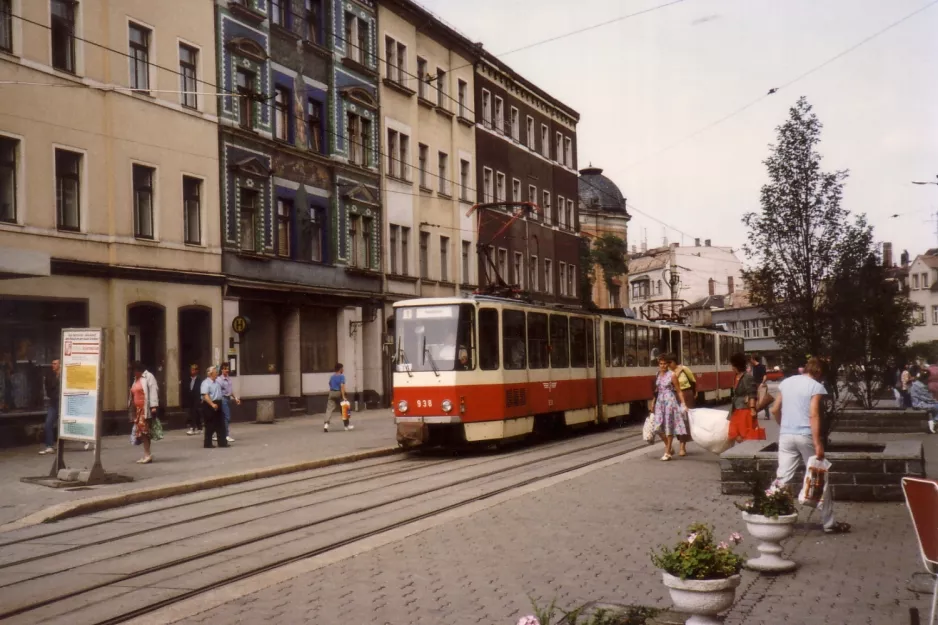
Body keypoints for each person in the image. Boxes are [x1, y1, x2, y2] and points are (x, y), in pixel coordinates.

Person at [770, 357, 850, 534]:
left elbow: (775, 409)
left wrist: (783, 425)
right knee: (819, 475)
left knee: (783, 477)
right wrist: (818, 443)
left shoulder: (786, 382)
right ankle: (829, 523)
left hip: (786, 435)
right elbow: (814, 414)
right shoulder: (816, 387)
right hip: (805, 435)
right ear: (819, 372)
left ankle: (770, 514)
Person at [650, 354, 689, 461]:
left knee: (669, 426)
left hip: (670, 402)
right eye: (661, 364)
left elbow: (679, 390)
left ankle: (667, 452)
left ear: (668, 364)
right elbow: (657, 390)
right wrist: (653, 402)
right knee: (657, 427)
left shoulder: (672, 375)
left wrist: (683, 403)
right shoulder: (657, 374)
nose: (662, 366)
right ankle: (669, 446)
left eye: (664, 364)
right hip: (660, 402)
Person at [728, 353, 765, 442]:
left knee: (745, 434)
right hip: (736, 409)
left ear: (737, 366)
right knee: (735, 434)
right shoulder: (736, 376)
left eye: (733, 365)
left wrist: (752, 409)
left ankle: (747, 451)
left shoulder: (747, 377)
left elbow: (752, 393)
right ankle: (744, 449)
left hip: (745, 410)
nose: (732, 368)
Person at [128, 361, 159, 464]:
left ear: (137, 370)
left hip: (144, 410)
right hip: (137, 410)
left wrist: (154, 406)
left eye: (133, 370)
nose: (133, 373)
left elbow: (153, 390)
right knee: (142, 433)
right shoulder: (136, 379)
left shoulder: (148, 377)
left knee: (144, 433)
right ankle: (147, 454)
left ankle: (147, 454)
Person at [665, 353, 695, 457]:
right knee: (675, 421)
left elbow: (693, 381)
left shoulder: (684, 369)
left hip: (686, 394)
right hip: (673, 396)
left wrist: (694, 393)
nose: (668, 365)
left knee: (684, 420)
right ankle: (670, 446)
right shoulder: (668, 373)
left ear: (674, 362)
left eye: (670, 362)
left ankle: (682, 446)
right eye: (667, 363)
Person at [200, 365, 227, 448]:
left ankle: (222, 442)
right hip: (209, 404)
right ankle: (208, 443)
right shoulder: (205, 383)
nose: (217, 373)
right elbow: (205, 395)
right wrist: (212, 404)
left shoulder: (217, 382)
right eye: (215, 372)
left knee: (221, 424)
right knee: (210, 424)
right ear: (210, 374)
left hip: (218, 403)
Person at [39, 359, 61, 455]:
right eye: (52, 363)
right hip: (54, 402)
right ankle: (49, 446)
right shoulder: (50, 376)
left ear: (60, 365)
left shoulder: (64, 375)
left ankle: (84, 440)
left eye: (55, 364)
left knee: (69, 423)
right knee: (48, 423)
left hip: (63, 402)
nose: (53, 365)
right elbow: (47, 388)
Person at [324, 363, 353, 432]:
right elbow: (342, 386)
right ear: (340, 369)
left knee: (329, 409)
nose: (343, 369)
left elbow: (330, 383)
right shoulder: (341, 376)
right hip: (338, 393)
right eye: (342, 368)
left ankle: (326, 425)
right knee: (344, 408)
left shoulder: (332, 376)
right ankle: (346, 426)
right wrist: (343, 396)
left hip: (331, 393)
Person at [217, 363, 240, 443]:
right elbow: (218, 391)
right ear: (222, 370)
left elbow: (230, 391)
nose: (227, 370)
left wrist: (235, 398)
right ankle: (226, 435)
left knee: (224, 417)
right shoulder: (219, 380)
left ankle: (218, 434)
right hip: (223, 399)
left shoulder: (229, 379)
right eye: (225, 369)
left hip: (228, 399)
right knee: (226, 417)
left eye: (227, 368)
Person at [910, 369, 938, 433]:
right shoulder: (920, 386)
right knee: (936, 406)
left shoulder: (918, 384)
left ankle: (934, 422)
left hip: (921, 402)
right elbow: (927, 398)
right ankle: (934, 422)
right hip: (919, 404)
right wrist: (935, 401)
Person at [184, 364, 203, 436]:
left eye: (194, 370)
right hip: (191, 397)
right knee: (194, 412)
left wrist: (201, 398)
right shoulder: (189, 379)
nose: (192, 371)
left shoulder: (199, 379)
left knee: (194, 412)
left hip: (197, 397)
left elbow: (201, 389)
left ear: (197, 371)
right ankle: (200, 427)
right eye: (192, 369)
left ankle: (192, 427)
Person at [750, 354, 770, 420]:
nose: (750, 360)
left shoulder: (761, 366)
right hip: (754, 384)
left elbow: (765, 375)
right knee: (754, 399)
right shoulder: (752, 367)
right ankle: (755, 414)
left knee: (763, 400)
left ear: (753, 359)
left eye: (751, 359)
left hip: (761, 384)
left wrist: (762, 383)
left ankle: (767, 415)